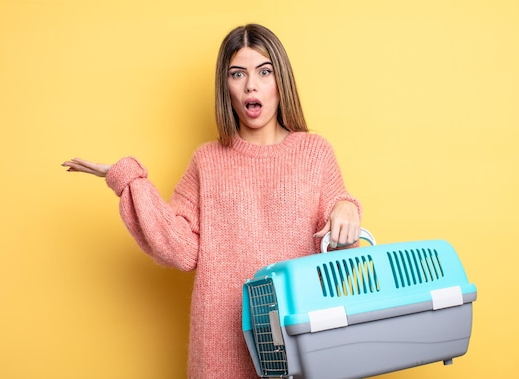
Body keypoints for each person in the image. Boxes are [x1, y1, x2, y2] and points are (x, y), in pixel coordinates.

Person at [62, 23, 361, 378]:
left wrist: (346, 208)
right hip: (220, 346)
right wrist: (129, 182)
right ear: (226, 86)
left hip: (299, 341)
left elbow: (341, 256)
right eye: (238, 74)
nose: (251, 84)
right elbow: (180, 248)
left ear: (281, 80)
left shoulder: (315, 153)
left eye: (264, 71)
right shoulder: (207, 160)